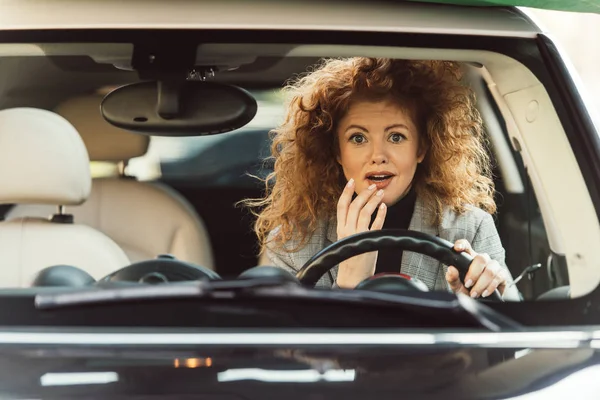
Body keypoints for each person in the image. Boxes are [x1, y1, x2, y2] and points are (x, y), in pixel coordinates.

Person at [245, 57, 520, 301]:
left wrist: (480, 298)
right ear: (337, 152)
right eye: (358, 138)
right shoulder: (294, 240)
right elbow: (287, 350)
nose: (378, 155)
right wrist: (348, 286)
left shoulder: (470, 226)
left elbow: (515, 342)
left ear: (421, 148)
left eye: (396, 137)